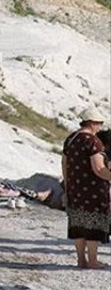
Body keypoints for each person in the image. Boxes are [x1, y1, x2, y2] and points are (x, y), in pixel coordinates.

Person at [63, 106, 110, 268]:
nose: (100, 127)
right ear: (92, 123)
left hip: (75, 188)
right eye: (99, 123)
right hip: (93, 190)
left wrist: (68, 183)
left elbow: (64, 163)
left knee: (78, 223)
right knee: (93, 225)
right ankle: (93, 261)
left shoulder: (71, 138)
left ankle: (81, 260)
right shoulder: (93, 141)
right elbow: (98, 169)